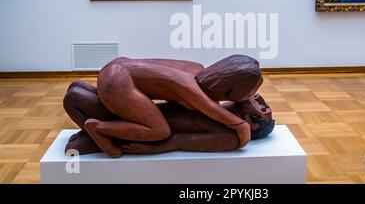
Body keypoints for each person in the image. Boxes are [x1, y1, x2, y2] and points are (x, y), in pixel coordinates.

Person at [63, 55, 267, 157]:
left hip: (118, 67)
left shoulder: (197, 68)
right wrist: (242, 127)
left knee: (149, 117)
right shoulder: (191, 88)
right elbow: (212, 110)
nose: (254, 98)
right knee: (159, 130)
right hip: (117, 83)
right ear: (230, 93)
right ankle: (98, 128)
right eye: (249, 95)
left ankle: (81, 92)